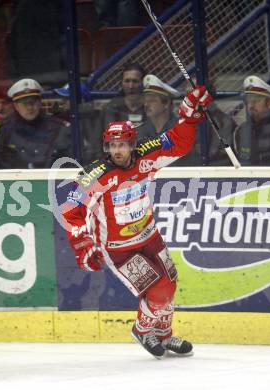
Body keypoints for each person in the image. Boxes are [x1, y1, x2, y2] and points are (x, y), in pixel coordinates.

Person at [62, 85, 213, 359]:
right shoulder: (95, 175)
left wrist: (189, 117)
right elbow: (71, 210)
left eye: (122, 145)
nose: (117, 151)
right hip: (120, 247)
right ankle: (144, 330)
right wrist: (84, 244)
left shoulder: (147, 155)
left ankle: (164, 336)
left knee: (171, 282)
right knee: (159, 289)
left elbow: (179, 142)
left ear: (133, 144)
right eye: (112, 145)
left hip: (150, 235)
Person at [0, 78, 72, 169]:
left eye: (33, 102)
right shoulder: (5, 131)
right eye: (24, 103)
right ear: (16, 106)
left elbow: (70, 165)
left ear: (40, 102)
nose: (30, 107)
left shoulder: (60, 129)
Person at [137, 74, 197, 166]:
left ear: (166, 103)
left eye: (152, 100)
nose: (146, 104)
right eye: (145, 100)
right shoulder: (139, 132)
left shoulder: (182, 129)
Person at [233, 75, 270, 165]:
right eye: (249, 99)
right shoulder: (241, 131)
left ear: (269, 103)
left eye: (256, 100)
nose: (251, 105)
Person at [96, 62, 146, 153]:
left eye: (135, 81)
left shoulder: (151, 108)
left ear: (143, 83)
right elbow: (97, 143)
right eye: (127, 81)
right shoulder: (110, 109)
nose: (130, 86)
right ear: (122, 83)